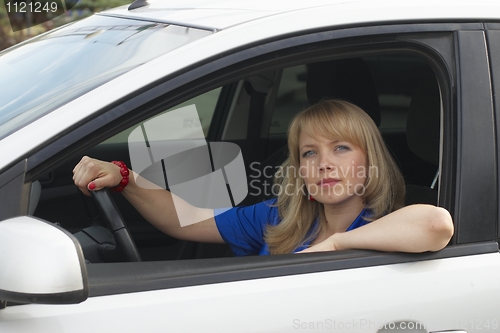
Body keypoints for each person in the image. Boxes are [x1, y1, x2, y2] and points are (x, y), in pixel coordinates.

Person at [73, 99, 454, 256]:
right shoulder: (278, 218)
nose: (323, 163)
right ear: (300, 170)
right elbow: (187, 220)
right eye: (310, 153)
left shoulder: (386, 225)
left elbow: (436, 224)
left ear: (369, 161)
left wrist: (334, 246)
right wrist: (124, 177)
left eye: (341, 148)